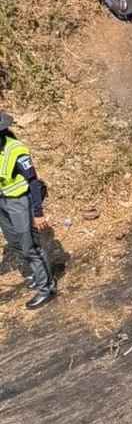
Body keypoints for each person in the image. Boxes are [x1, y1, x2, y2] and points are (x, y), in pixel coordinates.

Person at [0, 112, 56, 308]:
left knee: (30, 246)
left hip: (19, 202)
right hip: (2, 202)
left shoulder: (16, 150)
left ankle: (46, 287)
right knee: (14, 242)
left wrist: (38, 213)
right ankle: (37, 274)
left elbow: (33, 182)